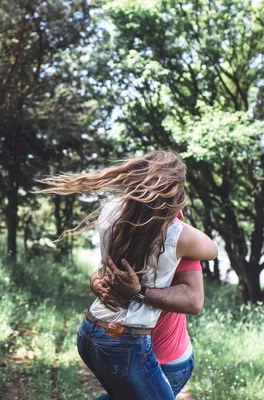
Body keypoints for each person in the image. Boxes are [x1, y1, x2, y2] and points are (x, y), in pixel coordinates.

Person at [39, 150, 217, 400]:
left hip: (91, 330)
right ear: (175, 192)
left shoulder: (111, 212)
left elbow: (104, 268)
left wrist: (98, 282)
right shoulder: (178, 235)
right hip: (125, 342)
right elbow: (212, 249)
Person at [92, 255, 203, 397]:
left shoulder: (178, 238)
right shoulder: (123, 234)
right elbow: (99, 273)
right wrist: (96, 284)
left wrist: (139, 293)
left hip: (166, 359)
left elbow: (194, 302)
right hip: (119, 348)